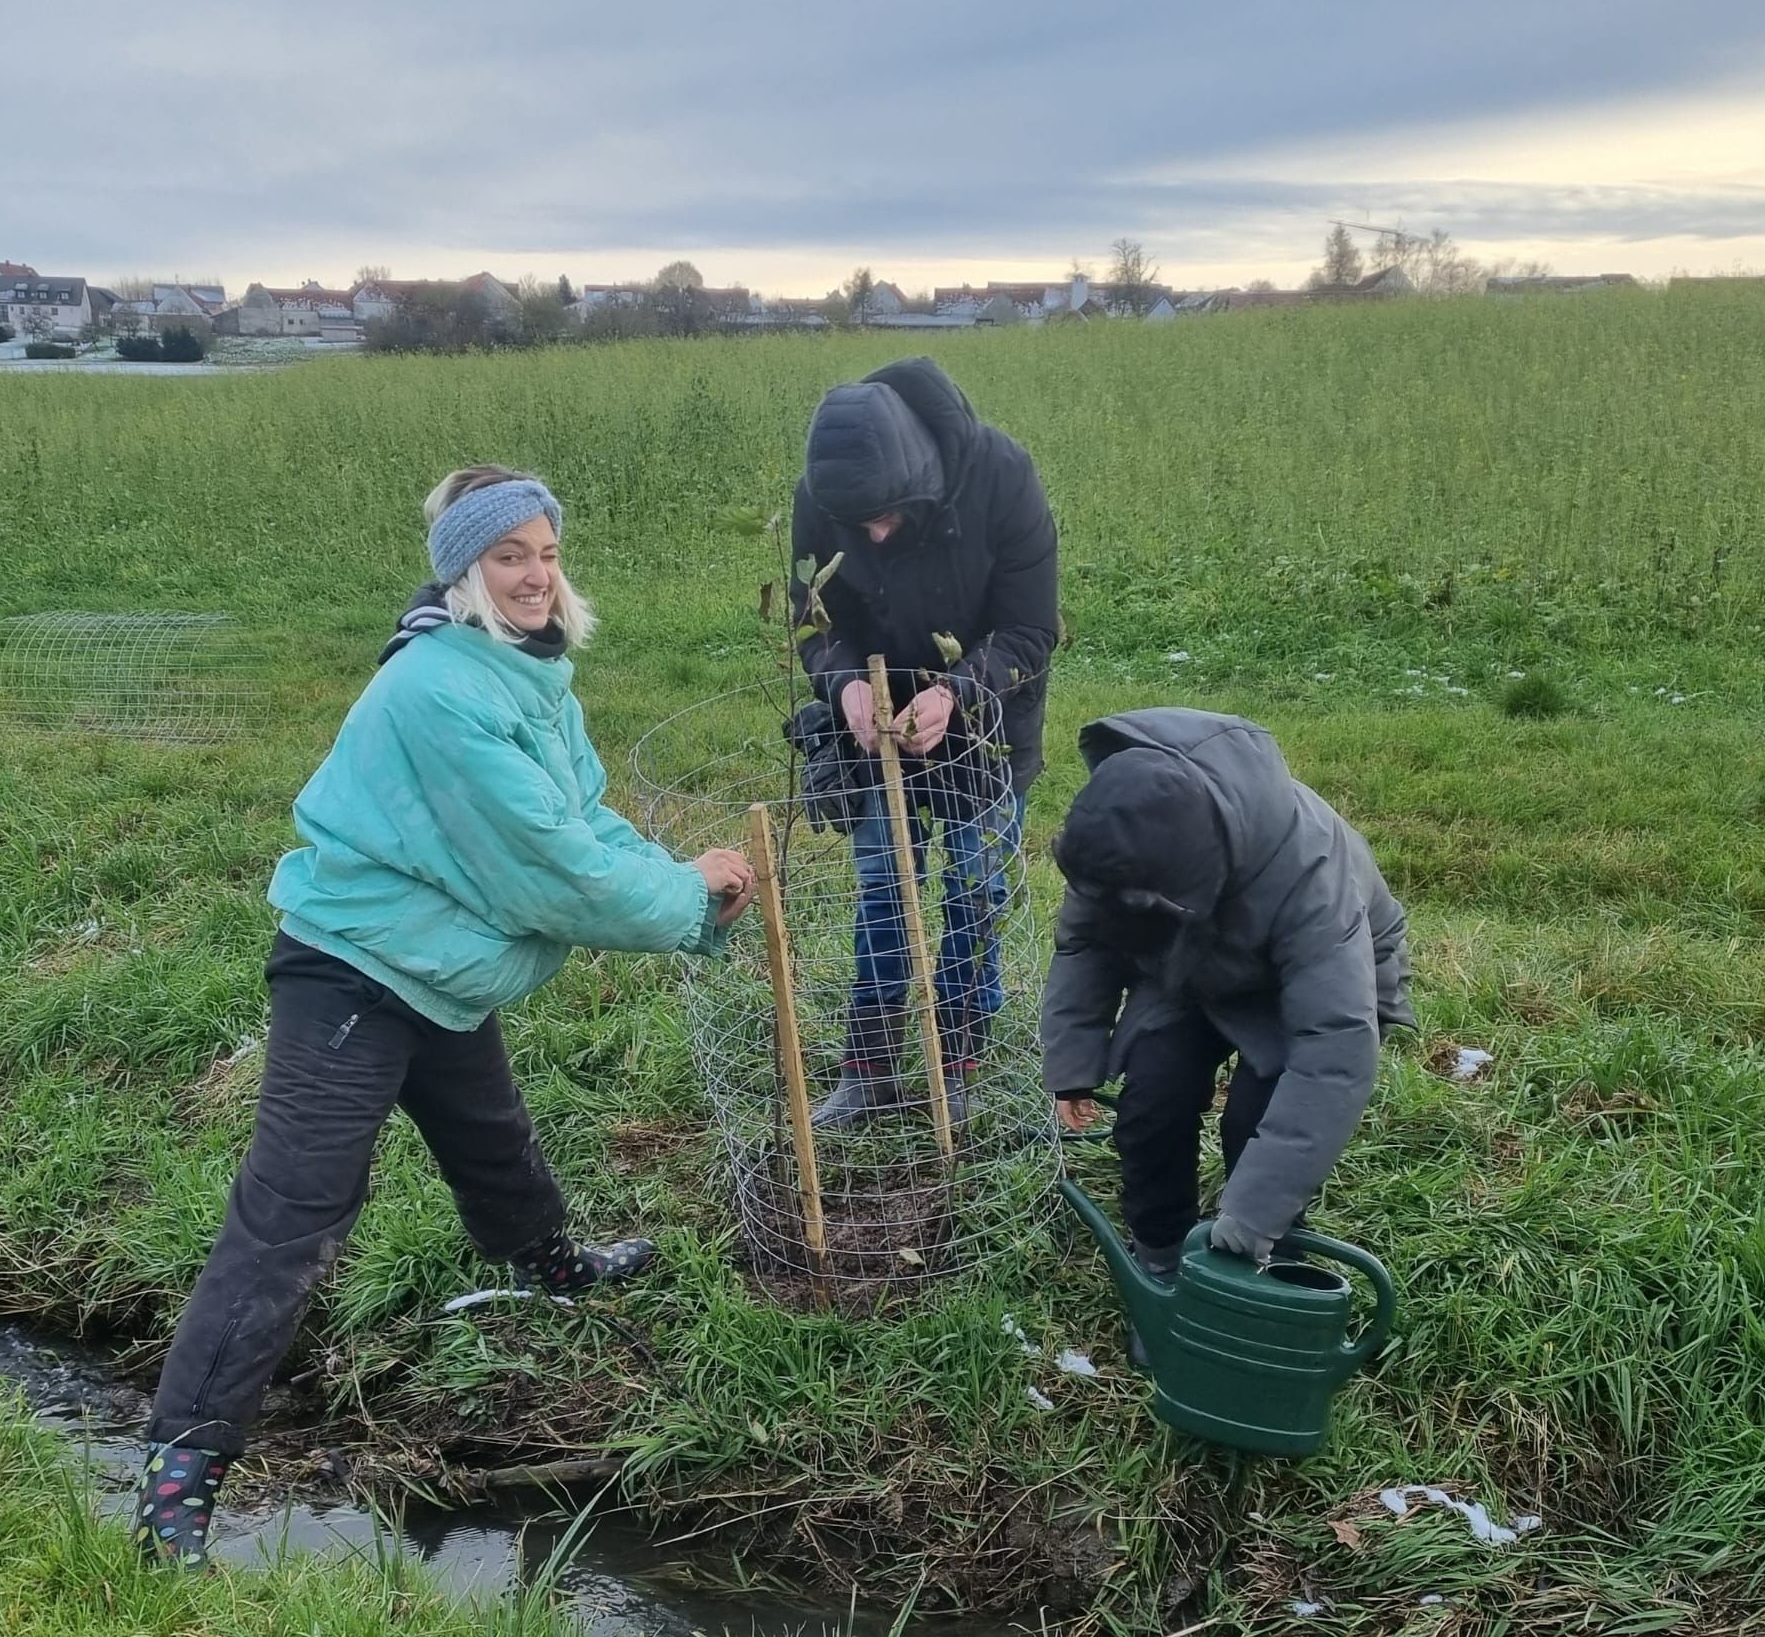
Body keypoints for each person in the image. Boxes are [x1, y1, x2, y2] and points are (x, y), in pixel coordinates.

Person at [132, 466, 755, 1568]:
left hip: (437, 962)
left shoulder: (524, 673)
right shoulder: (437, 687)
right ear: (465, 572)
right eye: (508, 555)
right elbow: (545, 867)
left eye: (547, 551)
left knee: (488, 1134)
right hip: (355, 968)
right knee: (295, 1211)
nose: (535, 574)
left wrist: (678, 883)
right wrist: (683, 893)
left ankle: (548, 1262)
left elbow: (580, 814)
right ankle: (178, 1471)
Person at [1042, 709, 1413, 1278]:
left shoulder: (1310, 880)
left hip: (1309, 985)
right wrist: (1072, 1064)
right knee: (1153, 1103)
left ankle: (1265, 1260)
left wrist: (1250, 1219)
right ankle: (1162, 1262)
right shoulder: (1121, 838)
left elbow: (1333, 1050)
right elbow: (1085, 943)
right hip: (1194, 964)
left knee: (1254, 1125)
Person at [789, 357, 1058, 1127]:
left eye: (886, 518)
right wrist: (842, 685)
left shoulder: (1000, 476)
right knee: (882, 885)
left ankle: (958, 1053)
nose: (871, 534)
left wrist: (956, 694)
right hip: (873, 730)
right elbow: (812, 625)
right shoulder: (824, 493)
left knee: (973, 888)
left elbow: (1032, 629)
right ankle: (869, 1063)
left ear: (921, 478)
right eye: (857, 524)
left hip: (984, 723)